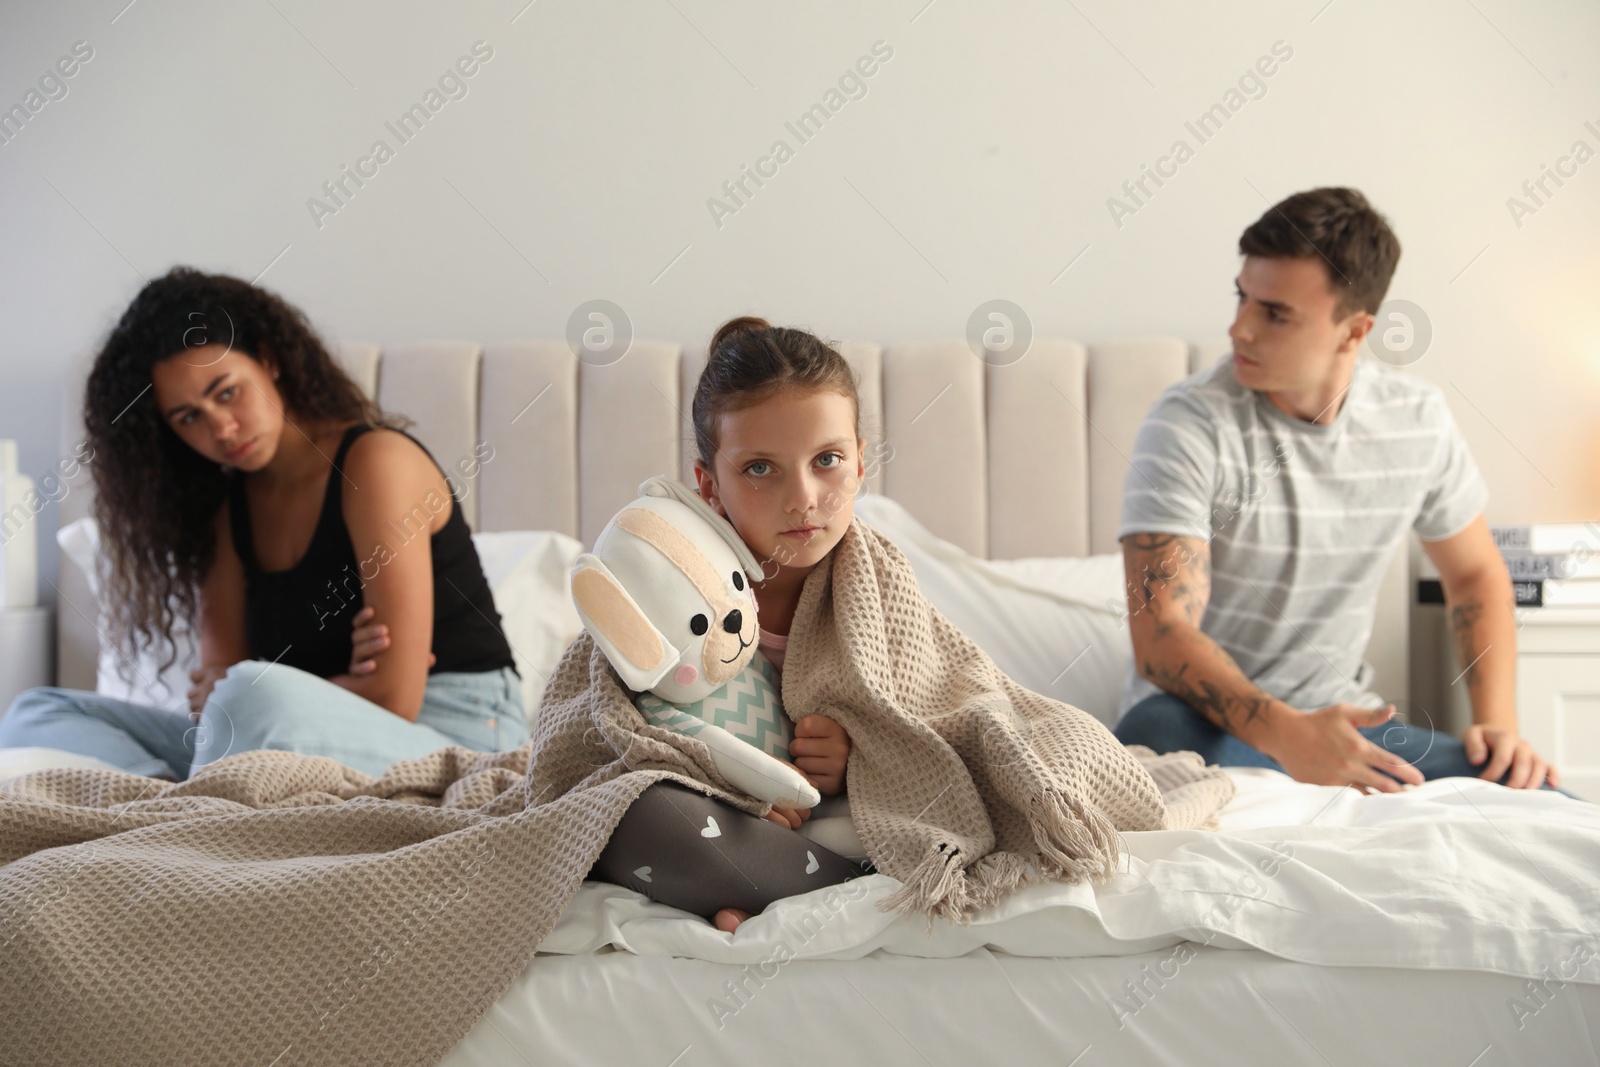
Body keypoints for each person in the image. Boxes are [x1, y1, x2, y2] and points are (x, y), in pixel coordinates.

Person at [1111, 187, 1564, 794]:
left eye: (1274, 313)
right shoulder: (1190, 423)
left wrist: (1498, 725)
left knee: (1538, 797)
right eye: (1242, 297)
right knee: (1157, 730)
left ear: (1355, 331)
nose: (1238, 328)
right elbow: (1162, 637)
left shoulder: (1417, 420)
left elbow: (1475, 575)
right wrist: (1288, 735)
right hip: (1202, 724)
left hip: (1351, 723)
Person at [0, 267, 527, 780]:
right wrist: (293, 687)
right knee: (36, 713)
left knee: (250, 698)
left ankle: (183, 805)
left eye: (227, 391)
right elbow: (218, 712)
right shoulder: (227, 512)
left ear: (269, 362)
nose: (222, 428)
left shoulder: (376, 463)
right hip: (278, 734)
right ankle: (160, 805)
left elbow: (393, 697)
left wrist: (261, 689)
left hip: (455, 731)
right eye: (188, 417)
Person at [587, 316, 865, 932]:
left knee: (924, 810)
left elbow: (930, 719)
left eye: (827, 460)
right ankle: (785, 880)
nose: (803, 497)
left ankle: (777, 883)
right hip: (720, 813)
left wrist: (854, 754)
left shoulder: (877, 592)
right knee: (632, 816)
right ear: (708, 486)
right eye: (761, 469)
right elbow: (604, 730)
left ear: (860, 464)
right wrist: (731, 793)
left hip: (839, 816)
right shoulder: (671, 574)